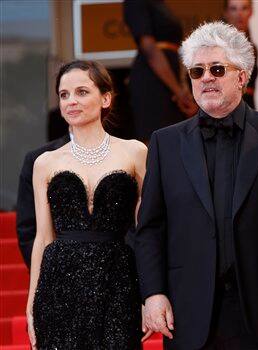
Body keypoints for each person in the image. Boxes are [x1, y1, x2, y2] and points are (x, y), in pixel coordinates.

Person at [135, 21, 258, 350]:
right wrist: (153, 294)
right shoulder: (165, 143)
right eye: (197, 72)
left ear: (242, 76)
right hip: (189, 309)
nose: (206, 78)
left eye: (217, 69)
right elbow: (150, 228)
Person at [25, 60, 149, 349]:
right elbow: (43, 237)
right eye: (64, 94)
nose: (71, 102)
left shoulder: (134, 151)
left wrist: (149, 293)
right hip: (58, 285)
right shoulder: (45, 162)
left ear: (105, 98)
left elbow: (148, 229)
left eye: (81, 92)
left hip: (117, 281)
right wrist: (32, 302)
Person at [123, 0, 196, 143]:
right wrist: (178, 91)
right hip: (152, 82)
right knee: (157, 141)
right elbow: (149, 49)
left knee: (175, 141)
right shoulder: (135, 3)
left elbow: (177, 51)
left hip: (172, 81)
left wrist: (182, 85)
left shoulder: (159, 3)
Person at [17, 133, 70, 269]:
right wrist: (47, 275)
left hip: (116, 268)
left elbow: (132, 226)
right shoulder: (38, 159)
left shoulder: (125, 152)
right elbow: (28, 229)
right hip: (61, 271)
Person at [223, 0, 258, 108]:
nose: (239, 14)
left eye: (244, 8)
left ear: (251, 12)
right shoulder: (217, 47)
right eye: (234, 9)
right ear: (225, 13)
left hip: (248, 107)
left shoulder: (253, 47)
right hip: (224, 108)